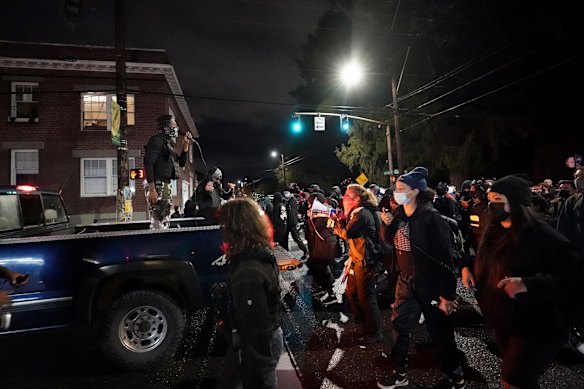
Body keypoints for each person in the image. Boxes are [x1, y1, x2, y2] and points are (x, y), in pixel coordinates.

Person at [461, 174, 584, 389]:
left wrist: (529, 284)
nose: (491, 205)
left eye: (497, 200)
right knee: (522, 380)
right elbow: (488, 260)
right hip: (505, 322)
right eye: (489, 199)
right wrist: (468, 268)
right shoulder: (494, 232)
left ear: (515, 203)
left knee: (512, 381)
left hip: (537, 325)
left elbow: (577, 276)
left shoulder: (542, 236)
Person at [377, 167, 466, 389]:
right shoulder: (398, 214)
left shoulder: (430, 217)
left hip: (431, 284)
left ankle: (457, 378)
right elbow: (389, 242)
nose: (396, 193)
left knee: (440, 333)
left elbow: (446, 258)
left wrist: (447, 294)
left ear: (415, 191)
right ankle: (400, 373)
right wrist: (387, 224)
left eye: (400, 189)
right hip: (405, 282)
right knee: (399, 326)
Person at [216, 198, 283, 389]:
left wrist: (258, 368)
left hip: (256, 343)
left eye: (225, 225)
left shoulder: (248, 270)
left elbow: (257, 327)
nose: (222, 230)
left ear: (237, 228)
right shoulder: (257, 254)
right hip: (256, 338)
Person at [332, 184, 383, 348]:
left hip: (366, 260)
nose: (344, 198)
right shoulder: (357, 212)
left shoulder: (362, 214)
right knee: (351, 293)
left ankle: (375, 332)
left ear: (357, 199)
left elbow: (348, 233)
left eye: (348, 196)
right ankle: (363, 326)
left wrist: (335, 223)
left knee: (366, 298)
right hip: (357, 258)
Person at [144, 114, 191, 229]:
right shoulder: (157, 141)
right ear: (166, 127)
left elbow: (181, 163)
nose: (177, 128)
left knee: (164, 219)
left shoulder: (169, 144)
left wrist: (185, 144)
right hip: (157, 183)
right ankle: (157, 243)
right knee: (159, 220)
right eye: (174, 125)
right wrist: (152, 189)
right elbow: (148, 163)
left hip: (165, 184)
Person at [305, 192, 342, 305]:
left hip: (326, 247)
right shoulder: (322, 212)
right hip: (323, 247)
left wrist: (310, 219)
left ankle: (333, 293)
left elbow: (316, 231)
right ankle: (325, 287)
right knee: (314, 265)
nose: (308, 205)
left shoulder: (323, 214)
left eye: (309, 203)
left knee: (321, 268)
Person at [557, 167, 584, 252]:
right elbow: (563, 228)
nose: (579, 179)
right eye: (576, 177)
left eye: (583, 177)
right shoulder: (572, 200)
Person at [283, 190, 309, 259]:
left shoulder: (292, 201)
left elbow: (291, 211)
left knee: (296, 237)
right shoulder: (287, 201)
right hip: (288, 222)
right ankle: (286, 252)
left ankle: (305, 251)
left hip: (292, 222)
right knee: (285, 238)